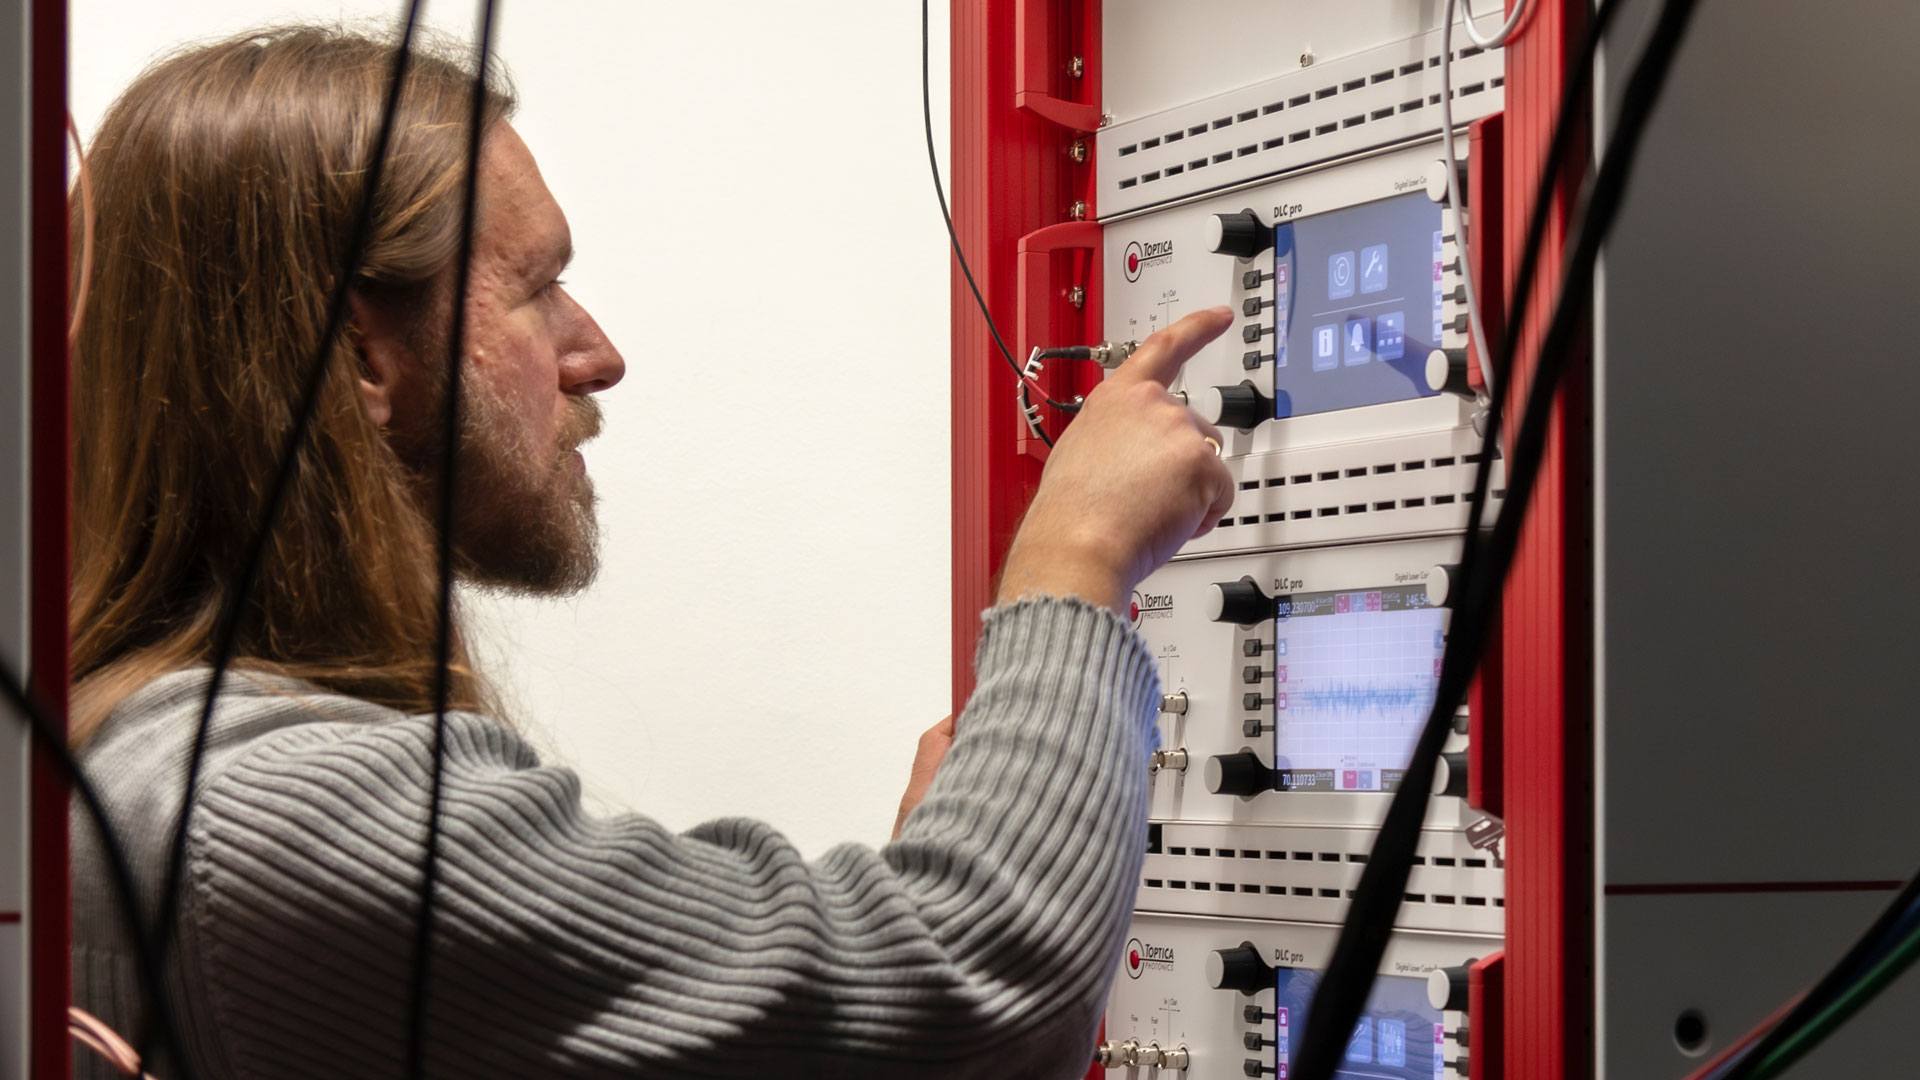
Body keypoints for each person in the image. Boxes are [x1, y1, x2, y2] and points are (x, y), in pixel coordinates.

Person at [69, 25, 1233, 1079]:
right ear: (364, 358)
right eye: (539, 287)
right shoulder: (275, 817)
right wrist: (1078, 550)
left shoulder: (133, 752)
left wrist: (863, 967)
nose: (599, 352)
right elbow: (992, 1000)